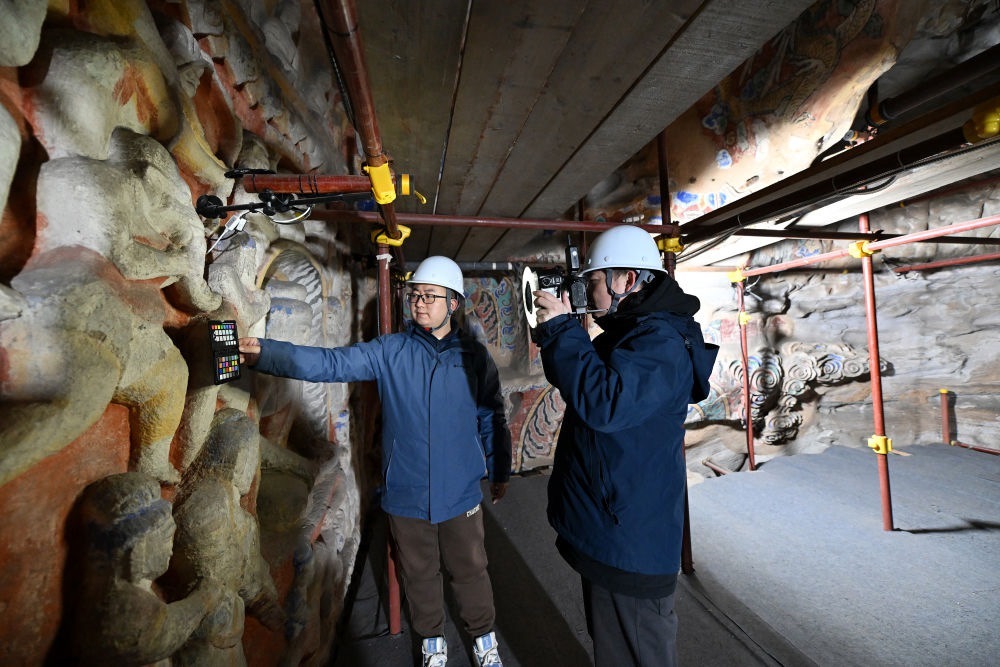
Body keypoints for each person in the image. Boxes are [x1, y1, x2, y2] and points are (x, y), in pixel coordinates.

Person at [239, 256, 511, 667]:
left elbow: (491, 415)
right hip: (406, 490)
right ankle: (432, 641)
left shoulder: (474, 358)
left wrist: (500, 467)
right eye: (415, 295)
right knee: (418, 573)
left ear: (453, 303)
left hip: (460, 491)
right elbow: (331, 363)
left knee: (470, 568)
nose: (419, 303)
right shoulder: (391, 351)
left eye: (430, 296)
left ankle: (483, 638)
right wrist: (267, 353)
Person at [531, 225, 717, 667]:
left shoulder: (659, 343)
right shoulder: (632, 333)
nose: (587, 292)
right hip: (615, 525)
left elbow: (605, 404)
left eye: (593, 281)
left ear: (627, 280)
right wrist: (558, 333)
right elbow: (583, 384)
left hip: (631, 540)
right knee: (614, 649)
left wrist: (562, 329)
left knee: (635, 651)